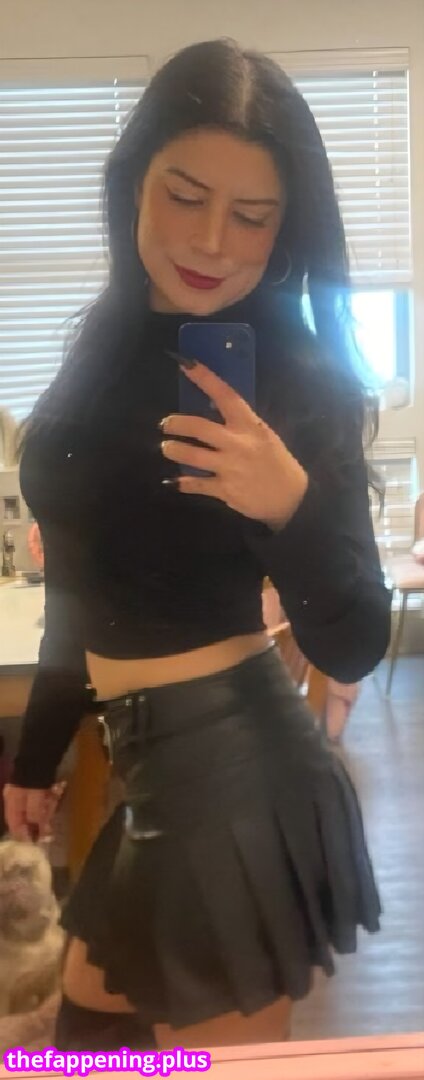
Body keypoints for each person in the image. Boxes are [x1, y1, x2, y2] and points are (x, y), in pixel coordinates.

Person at [4, 39, 392, 1051]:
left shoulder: (298, 378)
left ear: (284, 225)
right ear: (134, 180)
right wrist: (36, 754)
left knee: (196, 1069)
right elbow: (79, 583)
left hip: (242, 784)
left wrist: (289, 504)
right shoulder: (99, 348)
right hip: (146, 771)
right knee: (86, 1049)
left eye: (252, 216)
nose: (212, 241)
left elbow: (355, 641)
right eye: (184, 195)